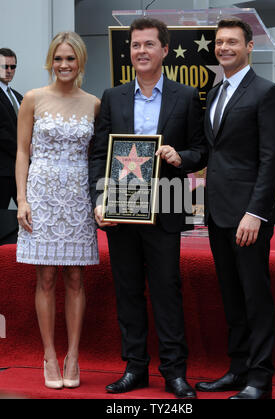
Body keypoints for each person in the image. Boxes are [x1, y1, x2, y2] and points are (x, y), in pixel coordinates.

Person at [89, 18, 205, 399]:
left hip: (166, 206)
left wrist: (180, 156)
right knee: (128, 291)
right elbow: (98, 154)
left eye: (149, 44)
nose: (141, 51)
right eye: (135, 45)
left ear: (165, 50)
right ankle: (135, 367)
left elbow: (201, 150)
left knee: (167, 291)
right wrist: (99, 198)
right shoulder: (113, 96)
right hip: (121, 209)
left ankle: (174, 372)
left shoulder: (186, 97)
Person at [195, 18, 275, 399]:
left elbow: (272, 158)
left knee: (254, 296)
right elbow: (209, 152)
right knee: (231, 296)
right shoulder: (215, 93)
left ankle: (260, 379)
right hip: (217, 214)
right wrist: (176, 156)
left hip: (249, 216)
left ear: (250, 47)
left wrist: (256, 212)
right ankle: (238, 369)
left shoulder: (266, 92)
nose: (224, 47)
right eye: (219, 42)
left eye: (232, 41)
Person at [16, 32, 100, 390]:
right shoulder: (33, 99)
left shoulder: (94, 103)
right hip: (42, 194)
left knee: (76, 278)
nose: (64, 65)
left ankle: (74, 355)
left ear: (81, 62)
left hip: (79, 195)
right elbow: (22, 152)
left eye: (71, 59)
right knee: (46, 277)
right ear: (51, 60)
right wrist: (21, 199)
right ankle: (49, 354)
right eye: (59, 58)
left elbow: (98, 157)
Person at [0, 48, 23, 209]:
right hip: (2, 171)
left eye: (12, 67)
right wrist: (24, 150)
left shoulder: (18, 96)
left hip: (19, 170)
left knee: (30, 217)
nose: (9, 71)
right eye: (4, 66)